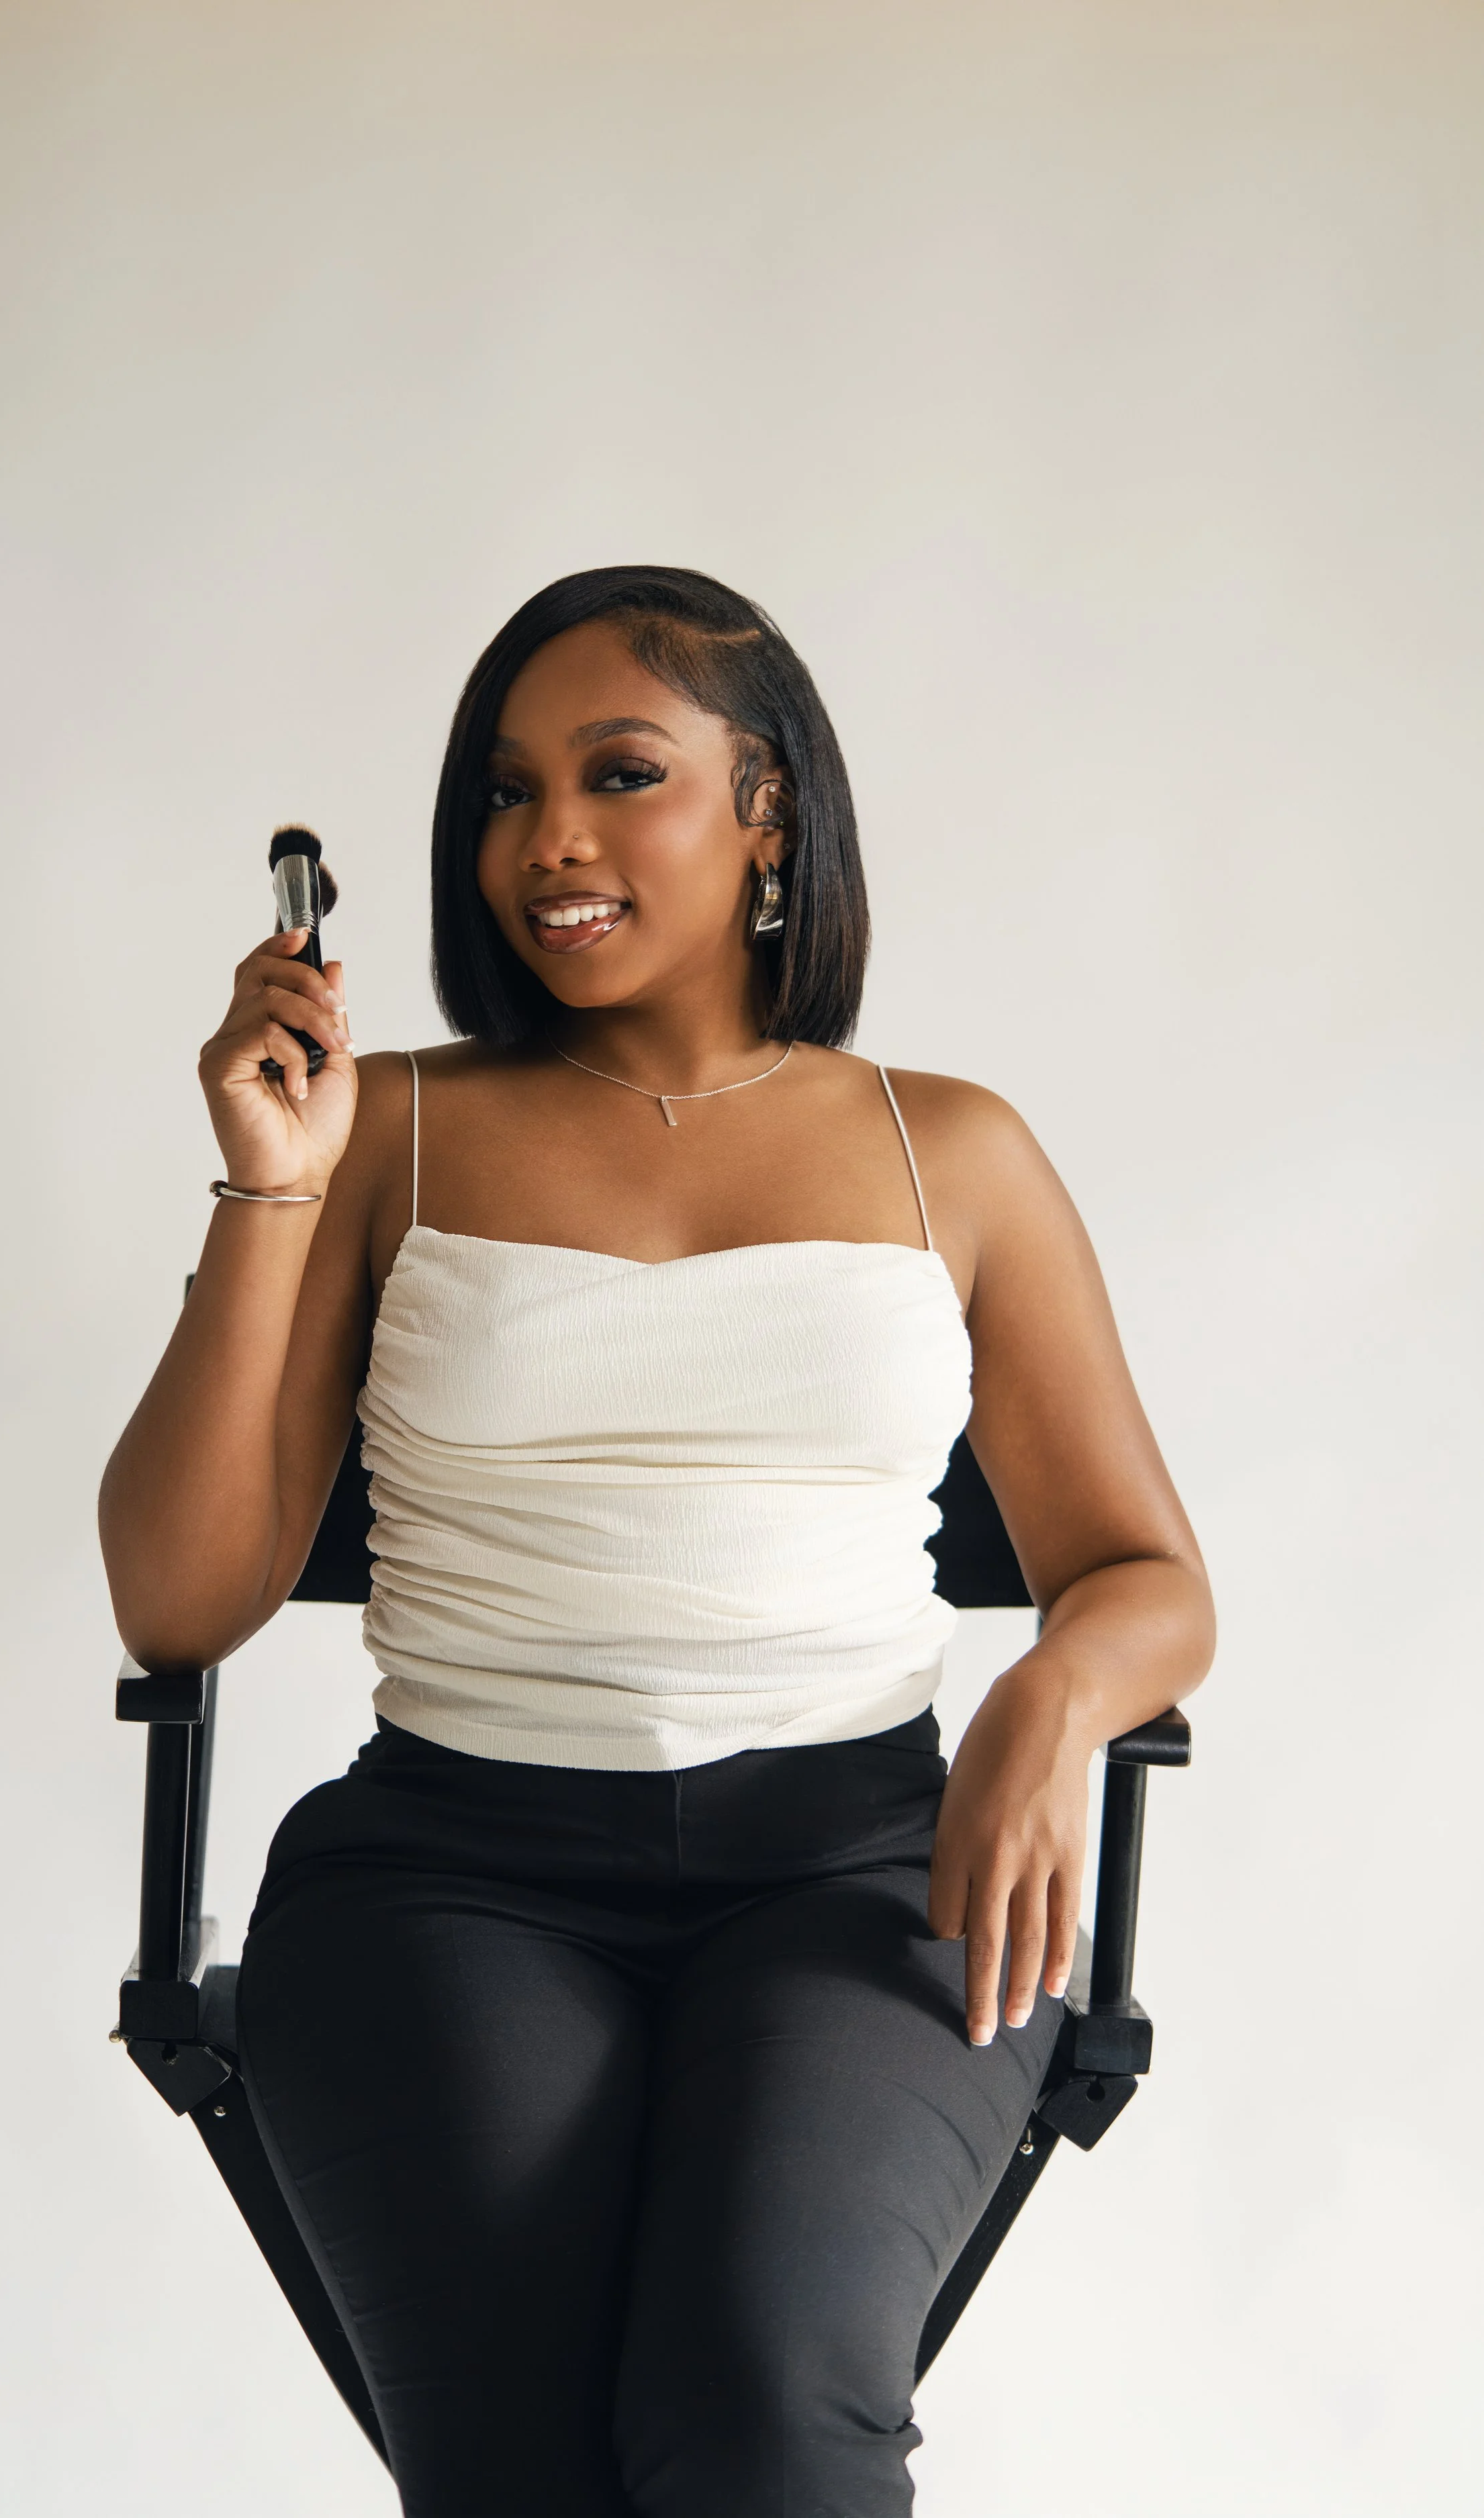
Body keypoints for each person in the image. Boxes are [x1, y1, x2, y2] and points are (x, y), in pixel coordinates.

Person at [99, 565, 1213, 2517]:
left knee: (767, 2412)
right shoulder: (382, 1129)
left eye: (621, 775)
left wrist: (1050, 1693)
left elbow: (1146, 1574)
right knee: (527, 2464)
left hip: (863, 1873)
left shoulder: (951, 1149)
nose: (549, 841)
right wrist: (269, 1189)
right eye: (506, 793)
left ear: (768, 807)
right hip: (451, 1876)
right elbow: (180, 1598)